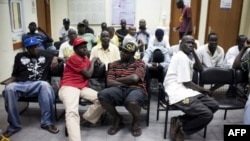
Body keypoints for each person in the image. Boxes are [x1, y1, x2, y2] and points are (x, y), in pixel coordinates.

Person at [163, 35, 219, 141]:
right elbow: (187, 83)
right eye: (187, 42)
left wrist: (193, 52)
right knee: (207, 114)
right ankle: (183, 129)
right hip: (178, 93)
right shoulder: (181, 57)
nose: (190, 45)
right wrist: (204, 90)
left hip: (188, 92)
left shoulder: (188, 56)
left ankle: (180, 120)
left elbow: (200, 67)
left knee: (214, 105)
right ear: (181, 44)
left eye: (192, 43)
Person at [2, 37, 60, 137]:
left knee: (45, 85)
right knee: (9, 89)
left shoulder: (45, 54)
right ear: (27, 49)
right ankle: (14, 126)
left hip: (38, 84)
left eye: (36, 46)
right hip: (21, 84)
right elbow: (15, 74)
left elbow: (62, 56)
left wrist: (55, 58)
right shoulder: (19, 56)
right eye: (31, 48)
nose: (35, 49)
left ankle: (47, 123)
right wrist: (9, 83)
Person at [58, 38, 105, 141]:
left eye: (85, 47)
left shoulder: (85, 58)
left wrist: (95, 60)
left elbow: (90, 67)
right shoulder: (74, 58)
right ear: (75, 49)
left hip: (82, 87)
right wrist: (93, 60)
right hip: (69, 87)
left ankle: (79, 122)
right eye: (81, 47)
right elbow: (88, 74)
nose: (85, 49)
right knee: (72, 112)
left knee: (103, 99)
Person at [98, 42, 147, 137]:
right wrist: (127, 81)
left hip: (136, 89)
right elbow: (109, 82)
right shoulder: (114, 64)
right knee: (102, 95)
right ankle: (117, 118)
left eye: (126, 52)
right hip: (119, 89)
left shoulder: (139, 63)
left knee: (132, 102)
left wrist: (117, 79)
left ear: (132, 54)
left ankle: (136, 121)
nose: (122, 53)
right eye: (122, 51)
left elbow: (135, 78)